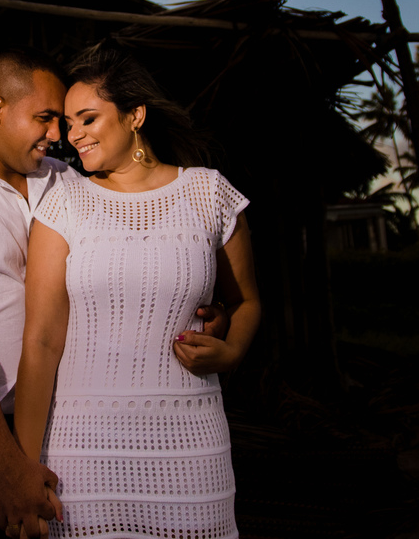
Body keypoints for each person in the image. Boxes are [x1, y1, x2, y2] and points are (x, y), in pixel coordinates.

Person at [0, 48, 230, 539]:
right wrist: (8, 463)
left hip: (51, 419)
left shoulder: (63, 180)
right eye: (46, 118)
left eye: (64, 119)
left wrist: (201, 308)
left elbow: (128, 259)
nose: (59, 135)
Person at [14, 45, 261, 539]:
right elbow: (41, 342)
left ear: (135, 116)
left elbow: (247, 300)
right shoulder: (64, 200)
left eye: (88, 117)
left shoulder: (208, 193)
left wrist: (231, 350)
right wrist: (22, 467)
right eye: (68, 121)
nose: (72, 134)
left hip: (192, 446)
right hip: (80, 450)